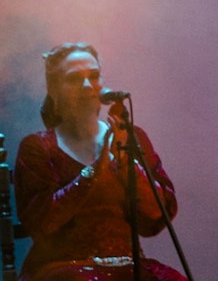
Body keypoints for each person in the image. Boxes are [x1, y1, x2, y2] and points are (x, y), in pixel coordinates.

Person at [14, 42, 185, 281]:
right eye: (74, 79)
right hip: (64, 270)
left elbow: (155, 218)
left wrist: (127, 163)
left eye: (93, 76)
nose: (87, 86)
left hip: (127, 267)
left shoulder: (131, 137)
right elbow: (42, 223)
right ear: (54, 90)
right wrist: (95, 171)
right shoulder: (38, 148)